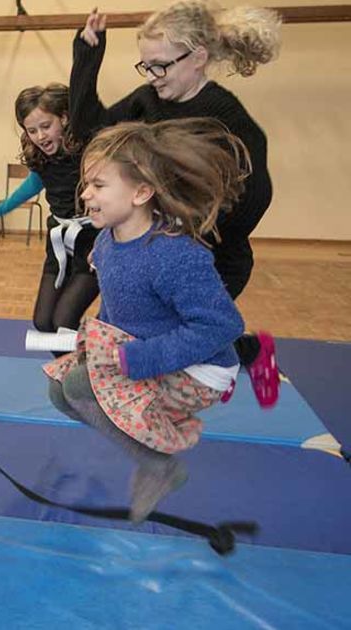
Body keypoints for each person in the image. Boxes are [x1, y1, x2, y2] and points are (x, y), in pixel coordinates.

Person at [71, 1, 281, 406]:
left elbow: (255, 197)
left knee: (176, 336)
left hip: (211, 258)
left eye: (161, 66)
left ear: (198, 58)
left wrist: (185, 235)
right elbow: (88, 132)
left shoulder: (226, 118)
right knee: (152, 334)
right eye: (145, 66)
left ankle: (243, 356)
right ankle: (241, 355)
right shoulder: (148, 101)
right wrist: (87, 55)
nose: (152, 76)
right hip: (156, 253)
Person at [46, 118, 248, 522]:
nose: (85, 195)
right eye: (87, 185)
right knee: (59, 390)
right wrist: (98, 343)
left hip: (200, 370)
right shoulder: (106, 242)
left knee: (79, 384)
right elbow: (119, 309)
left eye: (98, 186)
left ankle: (160, 463)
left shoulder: (173, 255)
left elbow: (222, 327)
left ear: (141, 192)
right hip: (144, 350)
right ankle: (155, 461)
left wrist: (138, 360)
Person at [0, 84, 98, 342]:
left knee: (63, 321)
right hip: (58, 247)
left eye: (46, 126)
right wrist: (1, 208)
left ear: (64, 118)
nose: (39, 136)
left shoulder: (88, 152)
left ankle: (79, 375)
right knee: (43, 322)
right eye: (31, 130)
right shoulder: (42, 159)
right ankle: (72, 371)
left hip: (93, 247)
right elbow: (31, 185)